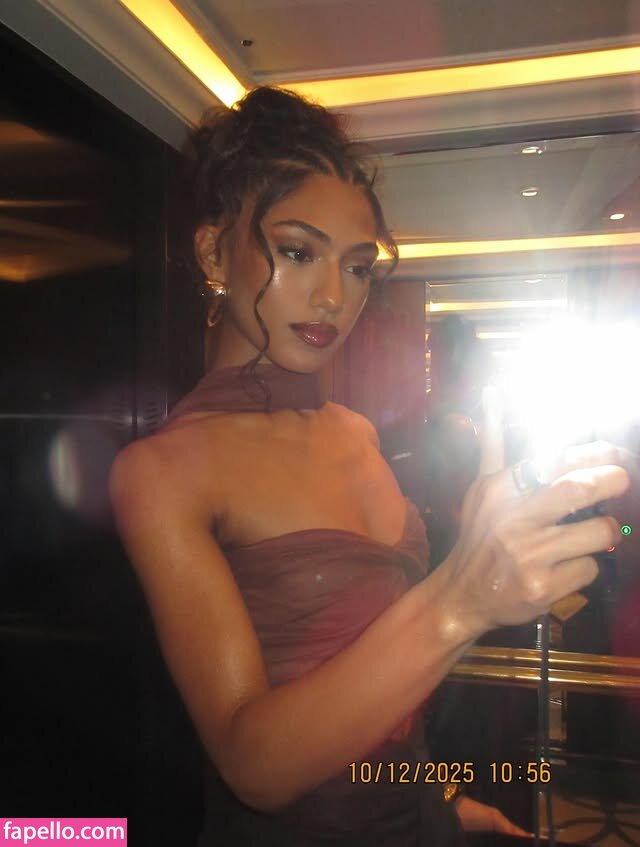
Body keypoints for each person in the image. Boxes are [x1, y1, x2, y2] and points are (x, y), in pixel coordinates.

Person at [109, 87, 630, 846]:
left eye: (357, 267)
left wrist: (443, 799)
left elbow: (389, 693)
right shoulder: (162, 471)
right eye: (298, 252)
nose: (333, 297)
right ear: (215, 252)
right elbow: (253, 764)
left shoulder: (355, 432)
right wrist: (461, 595)